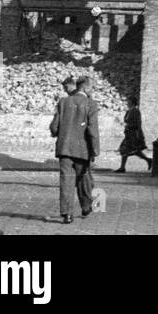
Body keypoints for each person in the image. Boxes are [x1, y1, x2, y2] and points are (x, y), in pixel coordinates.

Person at [50, 75, 99, 223]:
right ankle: (86, 206)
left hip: (64, 149)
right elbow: (93, 130)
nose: (92, 91)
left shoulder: (63, 102)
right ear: (85, 87)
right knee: (84, 177)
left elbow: (54, 127)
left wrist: (59, 132)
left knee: (66, 180)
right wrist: (95, 150)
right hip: (82, 149)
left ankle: (67, 214)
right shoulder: (91, 104)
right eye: (92, 87)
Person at [117, 104, 151, 172]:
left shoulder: (135, 111)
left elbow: (136, 123)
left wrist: (129, 127)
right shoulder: (130, 111)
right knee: (132, 150)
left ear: (131, 102)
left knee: (126, 149)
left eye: (129, 101)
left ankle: (122, 167)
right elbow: (126, 120)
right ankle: (148, 160)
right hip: (129, 133)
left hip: (133, 134)